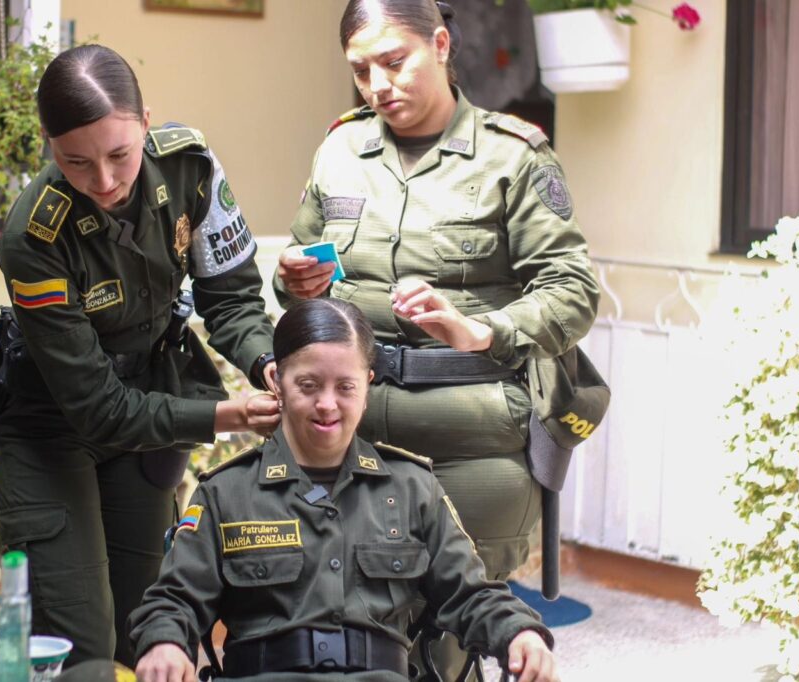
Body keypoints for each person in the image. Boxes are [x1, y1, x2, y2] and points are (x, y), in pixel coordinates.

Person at [274, 0, 599, 677]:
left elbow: (573, 290)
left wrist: (484, 328)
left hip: (470, 436)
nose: (379, 85)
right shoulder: (341, 148)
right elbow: (304, 276)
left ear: (442, 45)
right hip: (349, 435)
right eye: (363, 71)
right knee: (345, 631)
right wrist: (295, 283)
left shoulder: (513, 156)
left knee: (450, 634)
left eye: (396, 62)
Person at [0, 44, 279, 668]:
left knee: (147, 626)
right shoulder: (33, 237)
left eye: (119, 154)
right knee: (82, 649)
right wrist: (230, 415)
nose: (105, 181)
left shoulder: (190, 168)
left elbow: (230, 297)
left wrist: (263, 362)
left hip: (147, 407)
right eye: (76, 162)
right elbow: (98, 409)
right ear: (49, 146)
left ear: (147, 121)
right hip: (52, 426)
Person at [128, 298, 559, 682]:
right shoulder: (226, 493)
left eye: (346, 387)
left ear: (367, 386)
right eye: (309, 385)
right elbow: (174, 599)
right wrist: (164, 642)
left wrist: (520, 633)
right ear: (277, 381)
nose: (327, 404)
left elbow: (470, 595)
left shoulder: (412, 487)